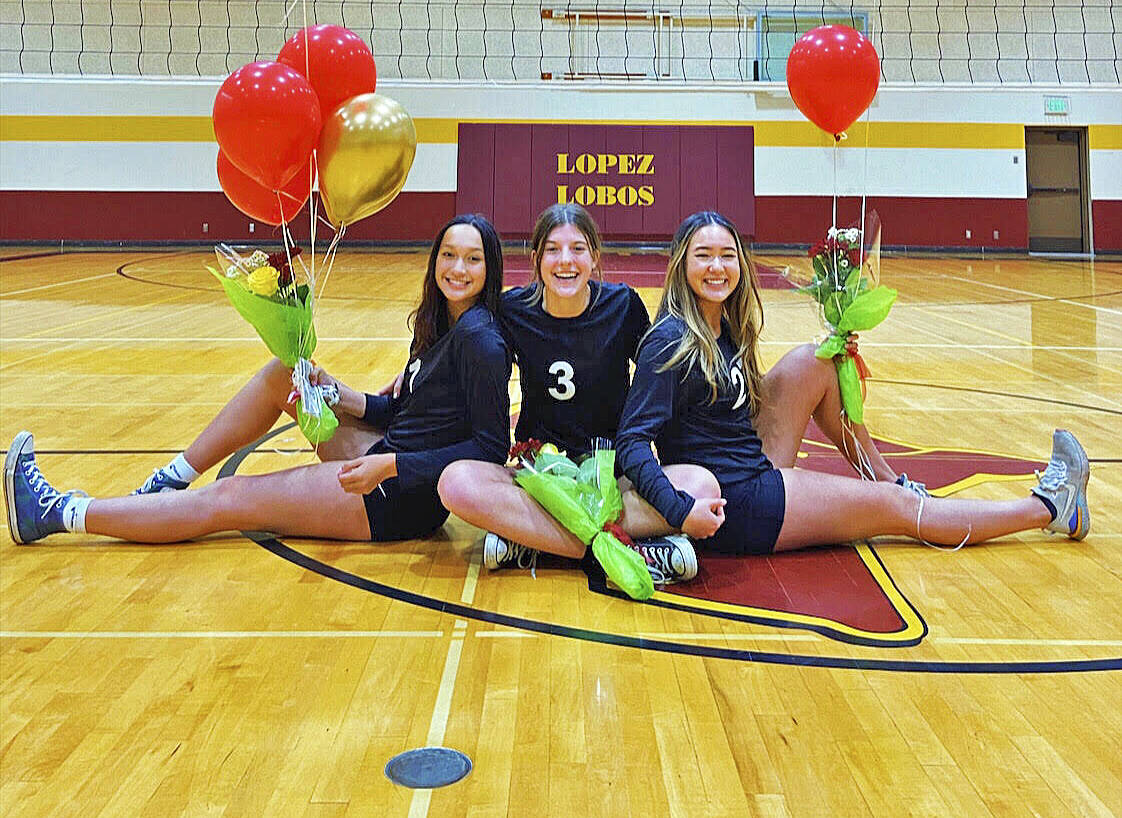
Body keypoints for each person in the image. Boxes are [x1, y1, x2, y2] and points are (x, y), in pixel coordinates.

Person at [5, 214, 513, 545]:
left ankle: (57, 512)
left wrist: (391, 465)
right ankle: (173, 476)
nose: (458, 269)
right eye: (449, 255)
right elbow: (412, 414)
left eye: (473, 259)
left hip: (397, 497)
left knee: (230, 500)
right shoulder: (438, 324)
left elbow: (488, 449)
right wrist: (340, 394)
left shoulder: (480, 341)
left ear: (490, 266)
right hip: (387, 456)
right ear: (435, 261)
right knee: (283, 376)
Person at [616, 211, 1090, 558]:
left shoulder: (724, 325)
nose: (717, 268)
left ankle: (886, 478)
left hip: (745, 460)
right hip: (742, 501)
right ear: (681, 265)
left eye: (727, 256)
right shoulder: (671, 339)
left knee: (816, 359)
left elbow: (727, 403)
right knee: (899, 510)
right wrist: (679, 512)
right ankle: (1049, 507)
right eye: (704, 256)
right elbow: (632, 443)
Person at [437, 204, 721, 584]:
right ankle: (628, 547)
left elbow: (660, 383)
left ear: (595, 257)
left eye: (578, 249)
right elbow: (466, 360)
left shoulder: (623, 306)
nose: (565, 261)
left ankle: (534, 540)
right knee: (455, 483)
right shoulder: (511, 310)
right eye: (553, 249)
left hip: (615, 481)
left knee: (701, 483)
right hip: (540, 478)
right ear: (536, 259)